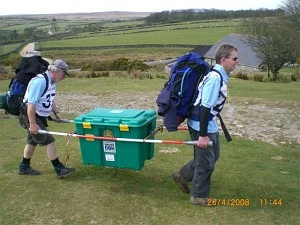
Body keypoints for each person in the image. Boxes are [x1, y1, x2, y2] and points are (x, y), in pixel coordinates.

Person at [172, 44, 238, 206]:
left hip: (208, 125)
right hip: (202, 126)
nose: (237, 62)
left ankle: (183, 175)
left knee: (213, 156)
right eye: (234, 58)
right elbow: (204, 108)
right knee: (206, 164)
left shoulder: (217, 75)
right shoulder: (215, 78)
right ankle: (199, 197)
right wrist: (202, 136)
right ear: (224, 60)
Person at [18, 59, 76, 179]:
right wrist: (33, 124)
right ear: (57, 71)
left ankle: (24, 166)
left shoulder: (51, 82)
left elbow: (49, 98)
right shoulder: (40, 82)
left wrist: (56, 112)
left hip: (38, 115)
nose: (64, 77)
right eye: (64, 74)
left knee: (32, 141)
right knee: (50, 141)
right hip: (31, 115)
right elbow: (31, 104)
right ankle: (59, 169)